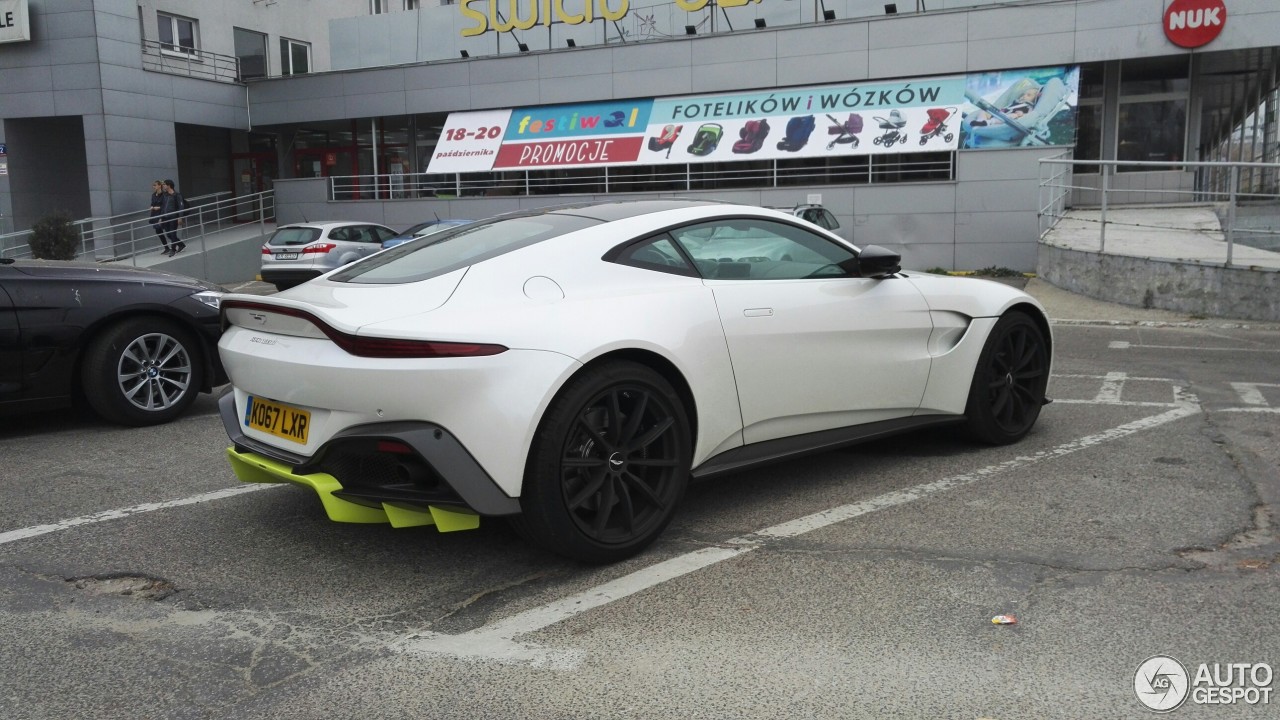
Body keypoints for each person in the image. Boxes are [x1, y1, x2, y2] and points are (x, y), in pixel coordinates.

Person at [969, 82, 1041, 127]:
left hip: (1008, 118)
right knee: (983, 111)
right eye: (1024, 94)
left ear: (1034, 99)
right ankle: (979, 122)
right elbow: (1008, 107)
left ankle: (988, 122)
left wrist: (1021, 114)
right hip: (1001, 113)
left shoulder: (1029, 106)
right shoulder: (1017, 102)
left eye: (1028, 95)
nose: (1024, 96)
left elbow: (1030, 115)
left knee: (1012, 116)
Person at [159, 179, 187, 255]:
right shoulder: (165, 195)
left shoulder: (177, 195)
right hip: (165, 217)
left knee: (173, 233)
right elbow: (163, 206)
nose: (163, 186)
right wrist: (161, 217)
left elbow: (181, 206)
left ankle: (173, 249)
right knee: (168, 234)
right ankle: (181, 245)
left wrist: (180, 217)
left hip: (173, 217)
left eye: (165, 184)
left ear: (169, 185)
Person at [147, 180, 170, 255]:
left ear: (160, 186)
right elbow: (152, 203)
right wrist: (151, 207)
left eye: (155, 185)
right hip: (155, 215)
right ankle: (166, 248)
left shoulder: (164, 195)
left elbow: (165, 205)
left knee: (168, 231)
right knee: (158, 231)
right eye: (153, 185)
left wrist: (159, 208)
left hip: (162, 214)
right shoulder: (153, 195)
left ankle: (178, 244)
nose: (154, 187)